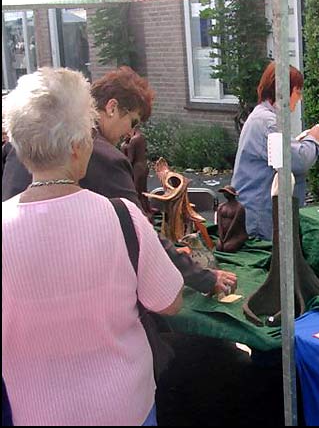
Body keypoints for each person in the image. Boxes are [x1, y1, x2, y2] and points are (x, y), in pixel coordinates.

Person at [2, 67, 184, 425]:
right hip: (125, 407)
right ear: (77, 146)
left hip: (37, 412)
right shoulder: (123, 218)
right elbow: (170, 301)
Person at [2, 65, 236, 296]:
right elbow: (139, 232)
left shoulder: (25, 144)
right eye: (132, 122)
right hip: (69, 288)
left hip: (17, 280)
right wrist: (205, 279)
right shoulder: (103, 156)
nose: (129, 134)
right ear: (112, 107)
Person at [231, 61, 319, 240]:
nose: (300, 98)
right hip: (262, 219)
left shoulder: (264, 117)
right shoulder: (267, 122)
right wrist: (313, 137)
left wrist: (302, 141)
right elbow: (297, 162)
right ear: (283, 91)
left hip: (260, 213)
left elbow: (281, 155)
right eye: (298, 92)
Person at [121, 124, 152, 215]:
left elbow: (130, 159)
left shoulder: (133, 140)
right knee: (143, 190)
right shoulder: (141, 137)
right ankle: (147, 209)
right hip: (144, 166)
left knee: (136, 190)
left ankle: (140, 212)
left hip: (136, 168)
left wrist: (124, 147)